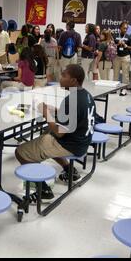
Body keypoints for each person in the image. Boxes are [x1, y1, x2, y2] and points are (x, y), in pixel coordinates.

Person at [15, 64, 97, 200]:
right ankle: (70, 170)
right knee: (47, 134)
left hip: (71, 145)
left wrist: (45, 112)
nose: (60, 78)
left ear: (74, 81)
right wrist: (56, 110)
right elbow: (77, 115)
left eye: (64, 76)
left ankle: (43, 190)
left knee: (21, 152)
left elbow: (59, 133)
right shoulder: (85, 95)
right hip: (83, 142)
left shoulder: (71, 100)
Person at [113, 21, 131, 96]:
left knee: (125, 74)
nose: (125, 30)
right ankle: (114, 88)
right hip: (116, 57)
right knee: (115, 73)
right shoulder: (115, 35)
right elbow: (111, 45)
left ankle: (124, 90)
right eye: (124, 28)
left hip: (125, 57)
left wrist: (126, 46)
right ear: (120, 28)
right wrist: (117, 44)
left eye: (126, 28)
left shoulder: (128, 36)